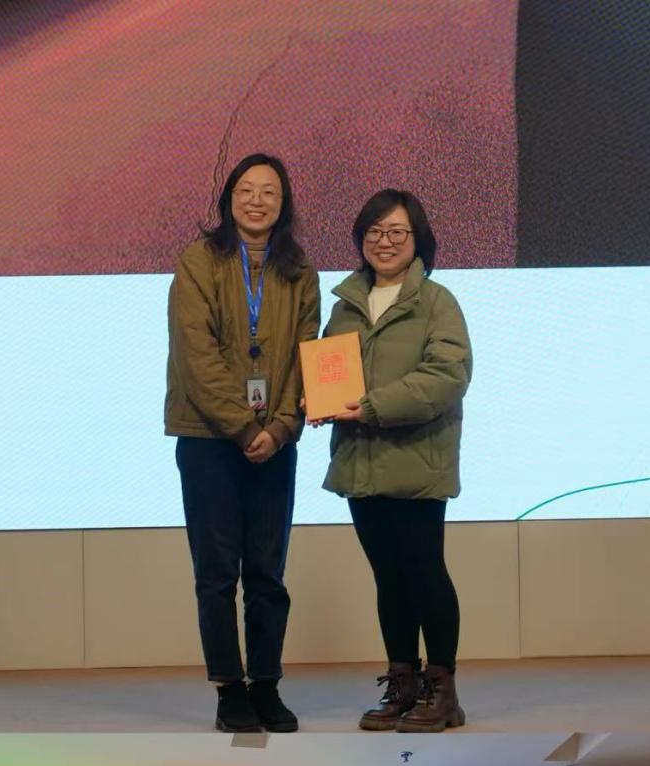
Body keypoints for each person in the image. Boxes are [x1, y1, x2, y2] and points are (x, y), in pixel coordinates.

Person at [166, 153, 319, 734]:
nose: (257, 201)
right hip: (207, 437)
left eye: (269, 192)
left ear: (284, 203)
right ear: (229, 198)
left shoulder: (299, 269)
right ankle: (229, 690)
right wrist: (243, 425)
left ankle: (267, 686)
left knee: (267, 571)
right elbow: (196, 355)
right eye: (247, 190)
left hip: (275, 440)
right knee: (215, 572)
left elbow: (308, 353)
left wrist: (280, 427)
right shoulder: (198, 261)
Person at [314, 189, 471, 732]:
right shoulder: (344, 306)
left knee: (425, 573)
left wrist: (372, 406)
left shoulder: (437, 302)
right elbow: (328, 373)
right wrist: (317, 400)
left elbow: (446, 377)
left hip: (416, 462)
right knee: (388, 578)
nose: (384, 241)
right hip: (360, 464)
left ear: (417, 239)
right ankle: (402, 684)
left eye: (396, 232)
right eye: (375, 232)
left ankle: (442, 691)